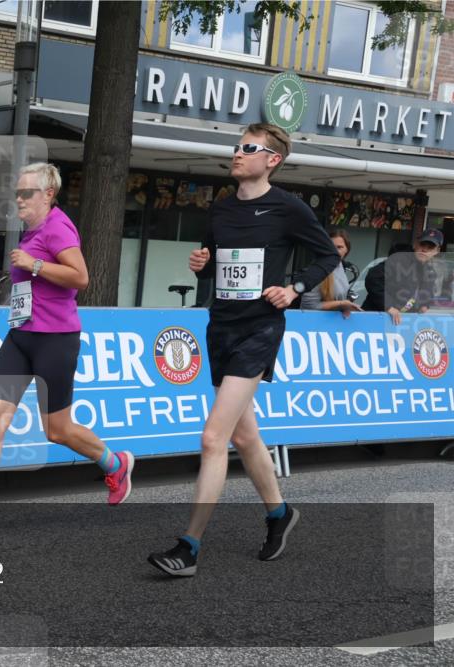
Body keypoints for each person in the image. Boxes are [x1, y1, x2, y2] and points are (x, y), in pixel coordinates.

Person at [148, 123, 340, 577]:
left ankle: (188, 548)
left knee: (214, 437)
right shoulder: (220, 210)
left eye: (248, 148)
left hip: (260, 329)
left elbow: (326, 257)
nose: (237, 154)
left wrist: (294, 287)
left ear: (272, 159)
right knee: (243, 435)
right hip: (221, 327)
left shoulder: (288, 208)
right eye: (236, 147)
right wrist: (201, 266)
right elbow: (212, 265)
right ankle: (279, 514)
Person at [0, 162, 135, 540]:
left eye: (26, 193)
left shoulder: (58, 227)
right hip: (21, 338)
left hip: (55, 341)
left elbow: (81, 278)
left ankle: (115, 462)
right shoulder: (32, 229)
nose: (19, 199)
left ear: (48, 195)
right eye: (17, 192)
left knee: (57, 431)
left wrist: (36, 265)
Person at [384, 228, 443, 325]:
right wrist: (389, 306)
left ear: (437, 251)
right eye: (422, 244)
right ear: (415, 244)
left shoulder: (431, 272)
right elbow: (373, 280)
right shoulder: (398, 259)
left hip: (403, 321)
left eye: (430, 247)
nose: (424, 249)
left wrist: (425, 305)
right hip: (379, 316)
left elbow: (427, 294)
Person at [300, 229, 362, 318]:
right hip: (313, 326)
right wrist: (341, 304)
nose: (335, 251)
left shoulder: (340, 266)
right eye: (331, 247)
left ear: (347, 250)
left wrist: (346, 306)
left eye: (339, 247)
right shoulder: (318, 269)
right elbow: (308, 306)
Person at [362, 242, 413, 312]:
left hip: (400, 317)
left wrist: (406, 309)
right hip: (374, 315)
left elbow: (412, 297)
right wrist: (389, 307)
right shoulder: (378, 271)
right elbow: (377, 291)